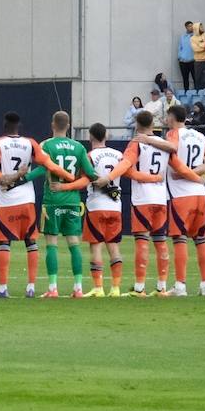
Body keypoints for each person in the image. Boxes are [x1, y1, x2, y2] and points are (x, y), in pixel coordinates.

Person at [0, 113, 69, 298]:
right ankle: (31, 287)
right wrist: (69, 177)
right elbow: (48, 164)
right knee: (31, 242)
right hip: (27, 199)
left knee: (4, 242)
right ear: (19, 126)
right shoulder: (31, 143)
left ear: (4, 125)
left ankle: (3, 288)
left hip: (6, 200)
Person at [16, 111, 101, 298]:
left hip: (52, 200)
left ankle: (53, 288)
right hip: (73, 201)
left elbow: (42, 168)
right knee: (74, 244)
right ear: (69, 125)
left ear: (52, 124)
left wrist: (22, 179)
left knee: (51, 244)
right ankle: (78, 288)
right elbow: (89, 173)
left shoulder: (46, 145)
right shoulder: (78, 147)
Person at [137, 103, 205, 296]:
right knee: (201, 240)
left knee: (180, 239)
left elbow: (171, 148)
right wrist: (195, 173)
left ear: (172, 118)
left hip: (181, 194)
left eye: (167, 117)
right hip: (200, 193)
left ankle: (180, 286)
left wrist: (147, 139)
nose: (165, 120)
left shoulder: (173, 134)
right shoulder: (200, 136)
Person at [71, 123, 144, 297]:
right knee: (114, 247)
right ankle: (116, 288)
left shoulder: (90, 155)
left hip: (96, 205)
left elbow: (84, 178)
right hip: (115, 206)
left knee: (95, 247)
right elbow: (130, 173)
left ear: (90, 137)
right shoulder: (118, 155)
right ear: (107, 136)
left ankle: (98, 288)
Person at [120, 109, 173, 296]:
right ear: (153, 124)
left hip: (143, 198)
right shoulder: (164, 144)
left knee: (142, 242)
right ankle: (162, 287)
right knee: (161, 242)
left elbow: (126, 170)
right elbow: (177, 164)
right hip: (161, 198)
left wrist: (148, 178)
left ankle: (140, 288)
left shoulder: (136, 144)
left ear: (137, 124)